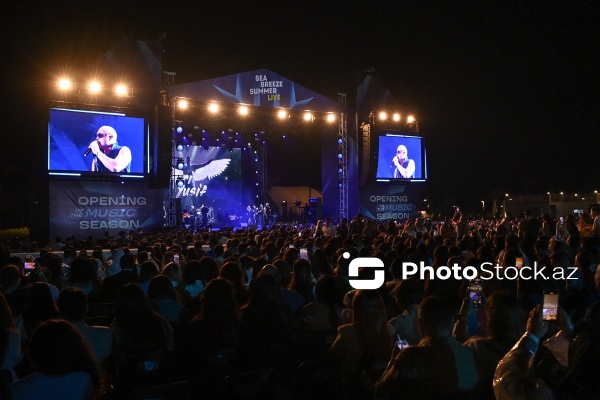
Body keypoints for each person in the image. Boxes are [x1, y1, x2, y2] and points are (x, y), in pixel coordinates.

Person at [374, 296, 479, 399]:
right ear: (451, 323)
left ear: (420, 324)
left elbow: (380, 392)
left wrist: (392, 361)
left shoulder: (410, 357)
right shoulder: (468, 353)